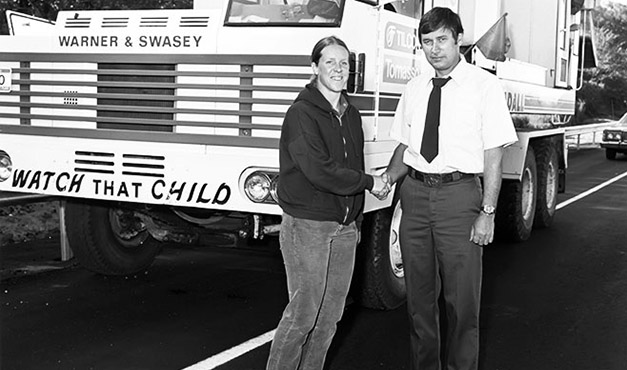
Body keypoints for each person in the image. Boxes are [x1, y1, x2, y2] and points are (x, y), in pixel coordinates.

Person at [381, 7, 518, 370]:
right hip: (414, 196)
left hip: (460, 198)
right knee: (419, 303)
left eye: (442, 39)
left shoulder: (484, 86)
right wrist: (387, 179)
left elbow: (494, 154)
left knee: (462, 303)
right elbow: (405, 146)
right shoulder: (414, 88)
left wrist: (487, 213)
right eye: (427, 42)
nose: (435, 49)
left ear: (459, 40)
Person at [266, 36, 387, 370]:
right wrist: (369, 183)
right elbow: (320, 171)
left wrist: (358, 222)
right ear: (314, 67)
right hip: (309, 226)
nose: (338, 69)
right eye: (330, 62)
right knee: (304, 314)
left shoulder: (351, 115)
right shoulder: (301, 114)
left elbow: (354, 166)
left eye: (344, 63)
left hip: (345, 229)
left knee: (330, 317)